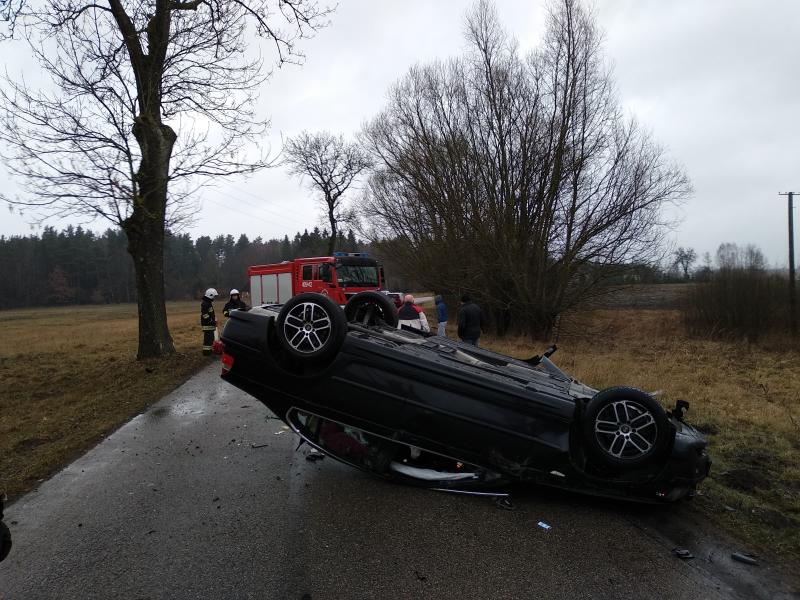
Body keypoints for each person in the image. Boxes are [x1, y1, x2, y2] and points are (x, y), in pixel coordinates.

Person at [200, 288, 218, 355]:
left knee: (210, 339)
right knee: (208, 339)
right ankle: (206, 353)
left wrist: (213, 320)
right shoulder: (205, 303)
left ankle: (209, 351)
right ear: (210, 295)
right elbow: (205, 315)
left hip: (209, 325)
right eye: (214, 296)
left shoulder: (208, 303)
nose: (214, 298)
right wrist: (211, 321)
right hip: (207, 325)